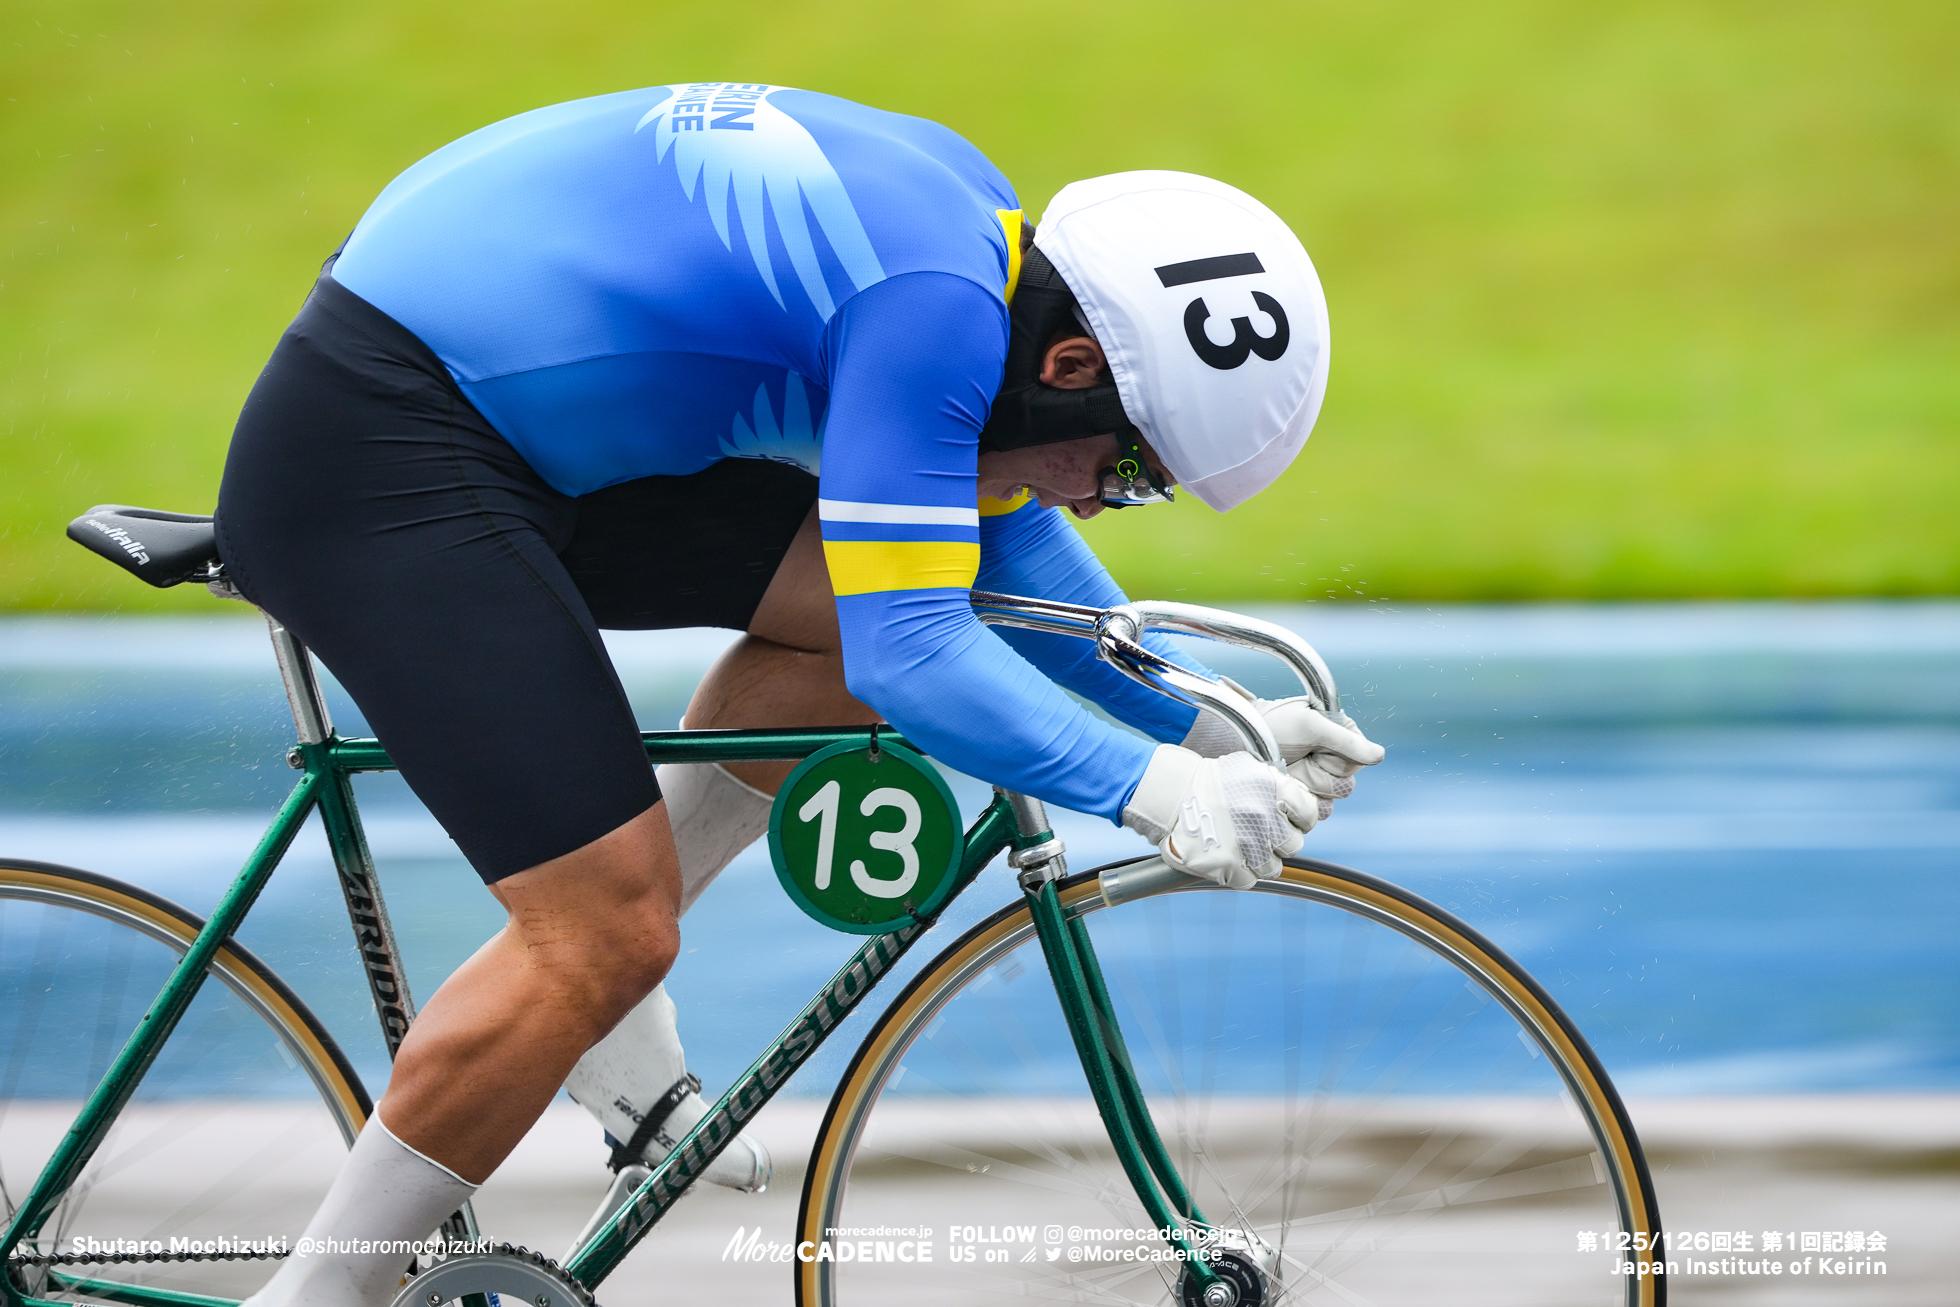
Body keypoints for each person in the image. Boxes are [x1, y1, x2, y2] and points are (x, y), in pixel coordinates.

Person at [214, 80, 1383, 1306]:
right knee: (603, 926)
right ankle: (315, 1296)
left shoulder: (987, 266)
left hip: (508, 412)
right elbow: (914, 651)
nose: (1103, 501)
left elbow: (993, 549)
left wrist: (1206, 715)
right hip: (382, 436)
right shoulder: (929, 311)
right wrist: (1156, 789)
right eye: (1133, 468)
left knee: (837, 622)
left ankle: (599, 1005)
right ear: (1073, 361)